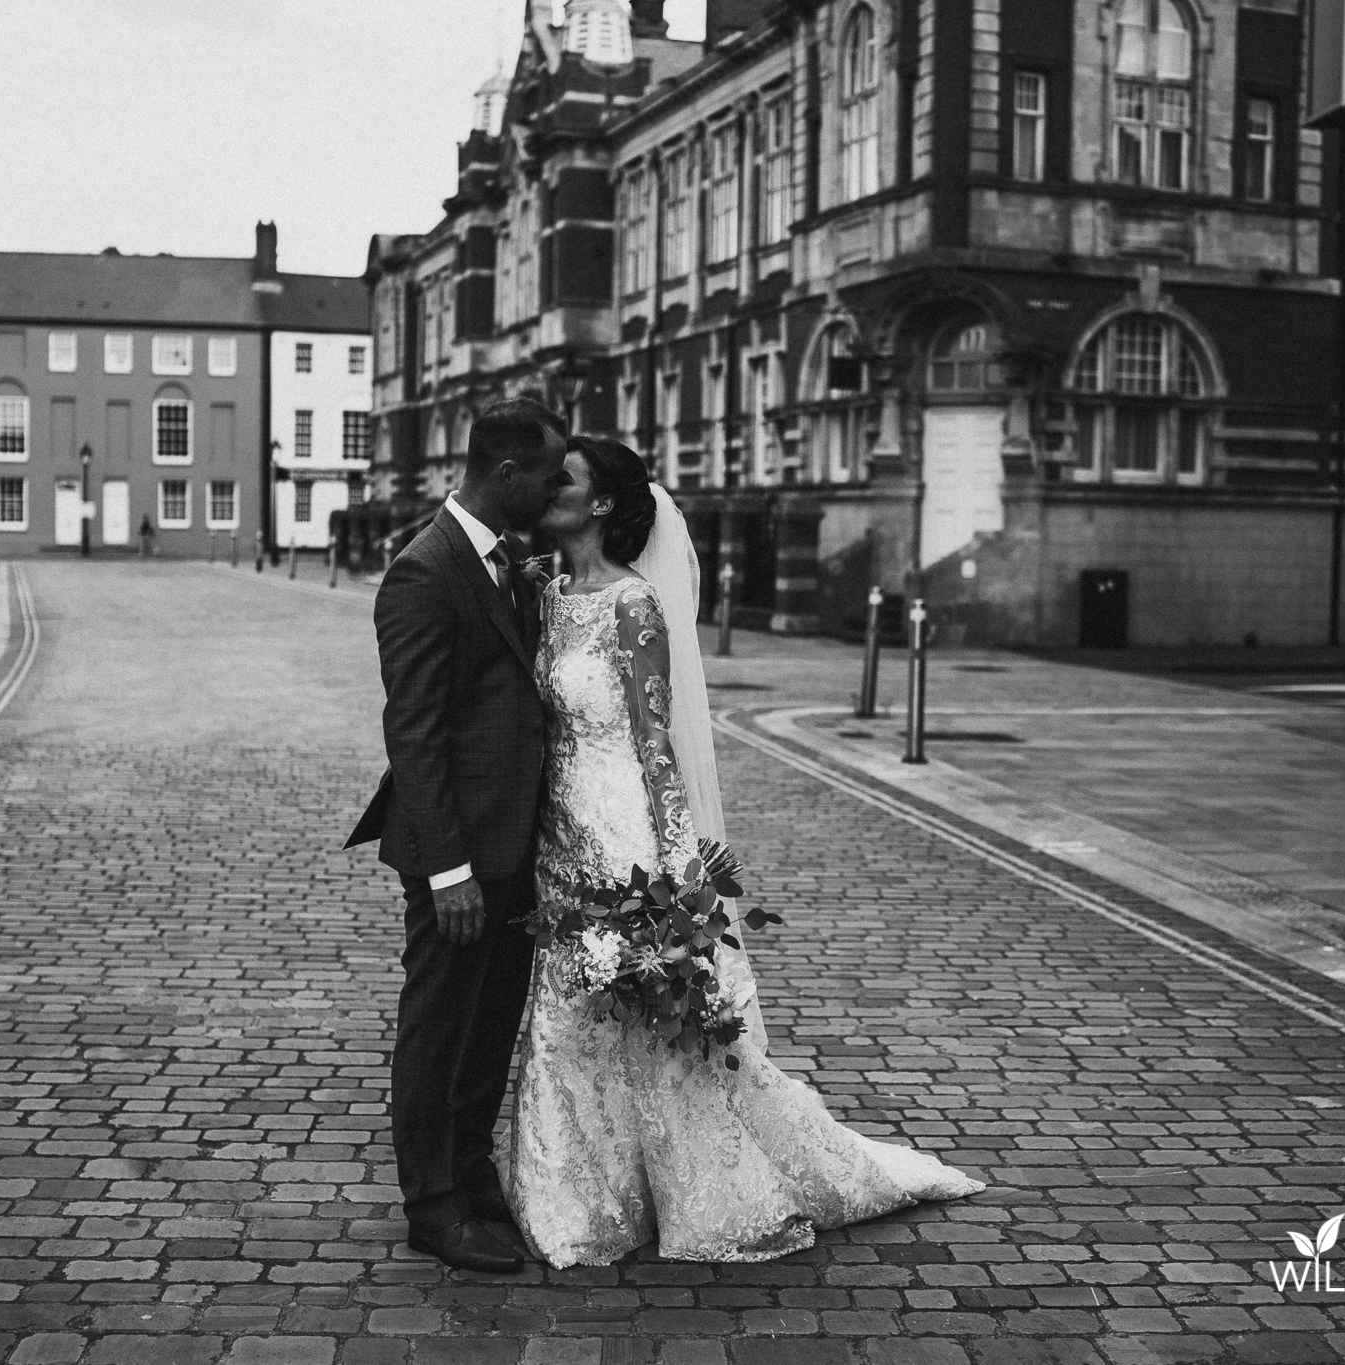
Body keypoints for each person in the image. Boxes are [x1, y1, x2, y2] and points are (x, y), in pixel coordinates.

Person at [498, 436, 983, 1268]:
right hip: (559, 831)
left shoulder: (633, 605)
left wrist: (682, 877)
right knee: (568, 1015)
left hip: (624, 830)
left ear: (604, 503)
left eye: (566, 479)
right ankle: (575, 1187)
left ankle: (696, 1185)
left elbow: (657, 749)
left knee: (651, 1017)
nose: (548, 487)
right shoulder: (545, 589)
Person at [343, 398, 568, 1274]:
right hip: (461, 855)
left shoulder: (510, 562)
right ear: (506, 475)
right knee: (439, 1027)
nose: (556, 491)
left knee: (491, 1022)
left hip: (515, 848)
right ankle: (431, 1205)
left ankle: (471, 1178)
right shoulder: (425, 571)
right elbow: (417, 734)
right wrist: (448, 871)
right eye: (548, 476)